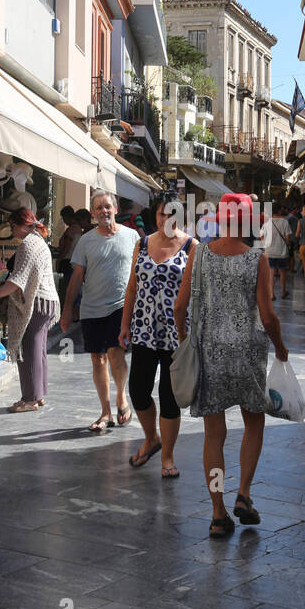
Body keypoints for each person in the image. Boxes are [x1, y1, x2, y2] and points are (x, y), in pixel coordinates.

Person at [174, 192, 289, 539]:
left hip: (209, 353)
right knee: (253, 423)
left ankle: (217, 513)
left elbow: (180, 306)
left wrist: (184, 340)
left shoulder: (198, 254)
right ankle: (244, 493)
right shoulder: (257, 259)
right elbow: (267, 316)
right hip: (247, 354)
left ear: (221, 219)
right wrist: (281, 348)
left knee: (214, 435)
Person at [119, 194, 197, 478]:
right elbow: (131, 288)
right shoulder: (142, 243)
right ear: (156, 216)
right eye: (163, 214)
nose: (167, 220)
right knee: (138, 390)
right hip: (143, 329)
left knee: (169, 395)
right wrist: (125, 324)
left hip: (178, 332)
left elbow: (197, 295)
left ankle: (167, 456)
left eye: (173, 214)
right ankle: (151, 437)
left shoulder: (192, 247)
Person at [60, 191, 139, 433]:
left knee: (116, 354)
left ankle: (121, 397)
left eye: (107, 206)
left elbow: (140, 273)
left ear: (115, 209)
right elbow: (77, 277)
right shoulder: (86, 241)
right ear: (93, 213)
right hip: (92, 308)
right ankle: (105, 411)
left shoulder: (132, 236)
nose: (104, 211)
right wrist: (67, 309)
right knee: (98, 359)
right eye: (98, 208)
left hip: (120, 307)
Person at [0, 208, 60, 413]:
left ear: (22, 224)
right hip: (48, 302)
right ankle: (38, 394)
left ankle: (30, 399)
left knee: (28, 348)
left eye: (12, 226)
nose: (11, 230)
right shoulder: (38, 241)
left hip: (37, 302)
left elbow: (17, 281)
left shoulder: (28, 245)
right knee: (38, 348)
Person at [262, 205, 293, 300]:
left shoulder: (266, 223)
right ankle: (283, 292)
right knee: (282, 272)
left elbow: (261, 236)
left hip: (269, 251)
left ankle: (271, 294)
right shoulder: (284, 222)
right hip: (282, 252)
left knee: (271, 273)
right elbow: (288, 238)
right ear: (279, 211)